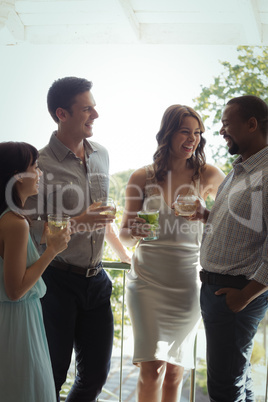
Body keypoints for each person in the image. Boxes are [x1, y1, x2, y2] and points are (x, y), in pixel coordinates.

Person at [25, 77, 131, 402]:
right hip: (56, 282)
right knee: (53, 375)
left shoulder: (103, 155)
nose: (95, 114)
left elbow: (99, 212)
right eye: (87, 108)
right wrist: (80, 222)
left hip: (97, 281)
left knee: (95, 377)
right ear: (62, 113)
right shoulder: (39, 165)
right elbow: (31, 230)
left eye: (94, 106)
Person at [119, 104, 225, 401]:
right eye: (185, 132)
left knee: (176, 370)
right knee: (151, 368)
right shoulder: (142, 177)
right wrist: (134, 231)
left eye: (197, 133)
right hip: (147, 282)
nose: (192, 139)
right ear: (167, 133)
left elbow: (232, 218)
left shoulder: (209, 175)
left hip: (187, 283)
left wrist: (207, 215)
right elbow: (125, 235)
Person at [193, 95, 268, 401]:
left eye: (226, 124)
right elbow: (245, 225)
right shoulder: (239, 170)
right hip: (220, 292)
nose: (221, 131)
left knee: (224, 388)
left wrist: (244, 295)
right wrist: (206, 216)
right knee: (238, 381)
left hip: (236, 294)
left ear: (251, 124)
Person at [0, 141, 70, 402]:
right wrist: (52, 250)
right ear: (17, 176)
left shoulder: (7, 218)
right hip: (18, 324)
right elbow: (15, 290)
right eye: (35, 167)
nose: (40, 174)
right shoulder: (15, 223)